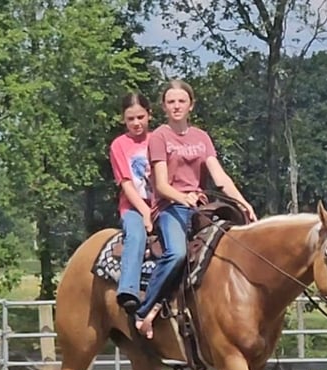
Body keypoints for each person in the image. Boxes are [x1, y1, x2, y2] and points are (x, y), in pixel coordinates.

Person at [134, 79, 257, 339]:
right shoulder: (159, 137)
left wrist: (243, 203)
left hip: (201, 207)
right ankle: (144, 310)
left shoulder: (201, 137)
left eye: (181, 101)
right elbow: (161, 184)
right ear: (164, 107)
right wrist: (183, 197)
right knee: (177, 253)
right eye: (171, 102)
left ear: (191, 105)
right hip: (170, 207)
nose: (176, 106)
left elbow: (220, 177)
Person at [109, 92, 154, 314]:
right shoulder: (119, 145)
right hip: (133, 207)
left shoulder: (158, 140)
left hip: (160, 203)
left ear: (149, 115)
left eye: (140, 117)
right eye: (130, 119)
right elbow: (126, 183)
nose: (136, 123)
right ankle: (128, 288)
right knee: (136, 235)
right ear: (123, 120)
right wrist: (145, 211)